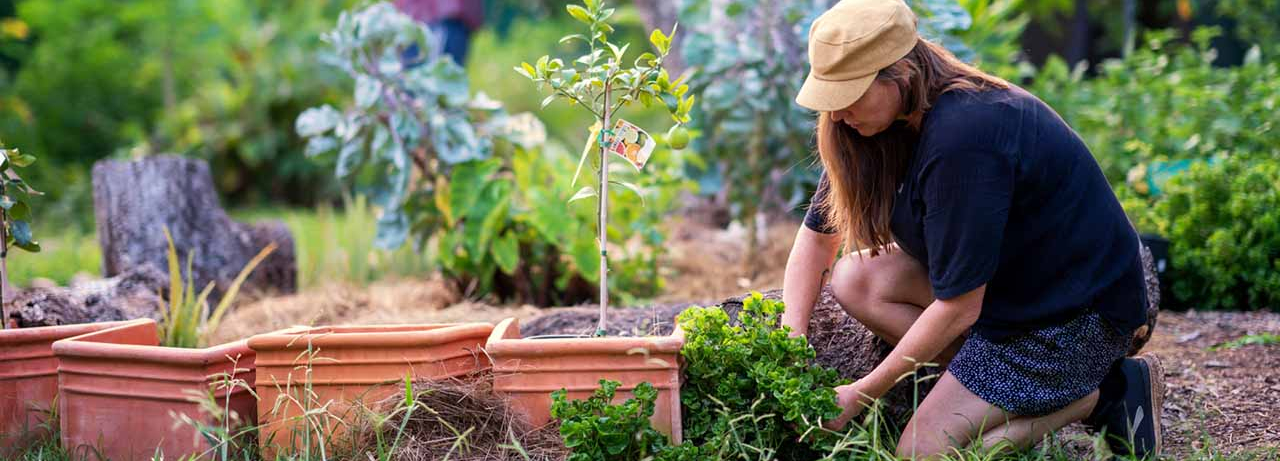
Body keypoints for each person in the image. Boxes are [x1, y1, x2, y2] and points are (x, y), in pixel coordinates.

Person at [781, 0, 1164, 458]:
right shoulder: (874, 125)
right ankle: (988, 387)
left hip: (1072, 317)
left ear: (900, 72)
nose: (836, 112)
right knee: (855, 278)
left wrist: (861, 392)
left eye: (848, 94)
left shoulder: (965, 135)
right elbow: (817, 239)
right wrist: (790, 339)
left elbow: (959, 305)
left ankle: (1098, 396)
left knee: (920, 452)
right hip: (1008, 294)